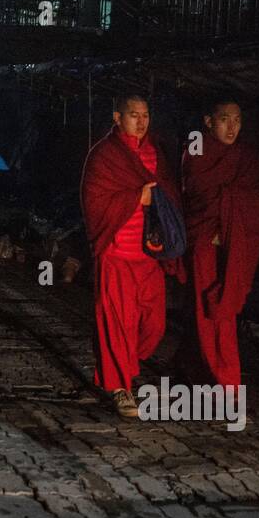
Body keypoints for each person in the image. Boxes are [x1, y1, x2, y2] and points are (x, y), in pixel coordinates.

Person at [79, 92, 184, 419]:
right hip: (116, 251)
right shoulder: (104, 155)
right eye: (133, 115)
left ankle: (121, 365)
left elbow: (170, 195)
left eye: (145, 115)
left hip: (147, 255)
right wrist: (136, 197)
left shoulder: (155, 153)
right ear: (117, 117)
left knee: (153, 323)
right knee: (116, 322)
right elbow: (93, 201)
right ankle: (118, 386)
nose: (141, 122)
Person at [181, 97, 259, 388]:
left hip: (234, 244)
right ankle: (223, 382)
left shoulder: (248, 158)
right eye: (225, 119)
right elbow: (199, 196)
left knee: (220, 312)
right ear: (209, 122)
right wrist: (227, 208)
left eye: (237, 120)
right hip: (205, 243)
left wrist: (230, 214)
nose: (232, 127)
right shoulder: (197, 152)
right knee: (210, 312)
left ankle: (193, 368)